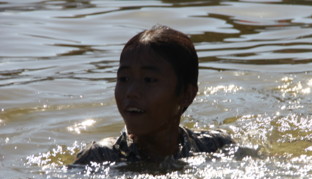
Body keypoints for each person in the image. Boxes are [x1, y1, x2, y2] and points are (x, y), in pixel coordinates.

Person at [72, 25, 234, 167]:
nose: (131, 92)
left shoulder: (214, 145)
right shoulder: (101, 156)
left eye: (149, 80)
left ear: (186, 95)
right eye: (124, 79)